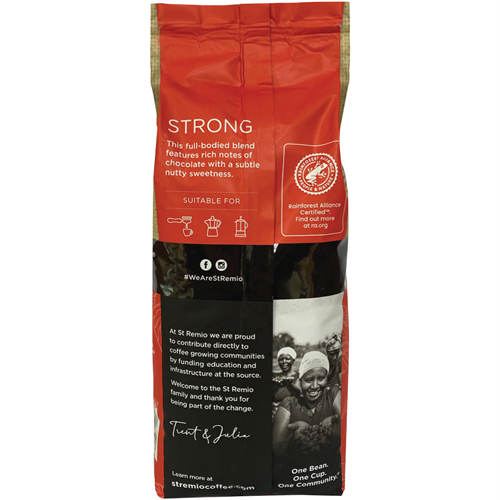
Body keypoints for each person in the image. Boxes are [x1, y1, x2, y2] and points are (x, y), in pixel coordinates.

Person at [272, 351, 340, 458]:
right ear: (300, 380)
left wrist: (335, 431)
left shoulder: (333, 394)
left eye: (321, 378)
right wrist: (293, 442)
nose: (315, 386)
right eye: (308, 380)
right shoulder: (288, 404)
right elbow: (275, 448)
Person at [272, 347, 300, 419]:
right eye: (281, 359)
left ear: (293, 360)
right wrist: (274, 385)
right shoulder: (274, 376)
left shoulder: (298, 376)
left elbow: (300, 392)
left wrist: (290, 384)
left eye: (287, 359)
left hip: (291, 411)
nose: (284, 361)